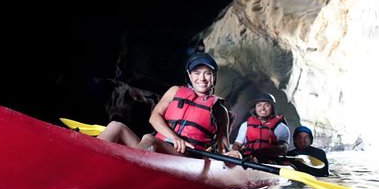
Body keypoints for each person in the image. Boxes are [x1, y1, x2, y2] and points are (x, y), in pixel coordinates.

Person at [98, 52, 232, 156]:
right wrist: (174, 138)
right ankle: (90, 158)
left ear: (214, 76)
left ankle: (129, 167)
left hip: (186, 156)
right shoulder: (174, 91)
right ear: (190, 76)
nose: (202, 78)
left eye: (207, 73)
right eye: (197, 73)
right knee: (116, 126)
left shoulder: (220, 111)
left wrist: (232, 154)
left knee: (150, 139)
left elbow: (224, 147)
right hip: (158, 147)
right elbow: (154, 117)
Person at [230, 93, 290, 162]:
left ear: (272, 108)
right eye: (259, 105)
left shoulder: (281, 127)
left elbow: (283, 148)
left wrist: (261, 152)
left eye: (267, 105)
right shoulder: (245, 125)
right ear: (255, 108)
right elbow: (237, 144)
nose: (263, 108)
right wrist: (234, 153)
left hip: (270, 162)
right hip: (248, 160)